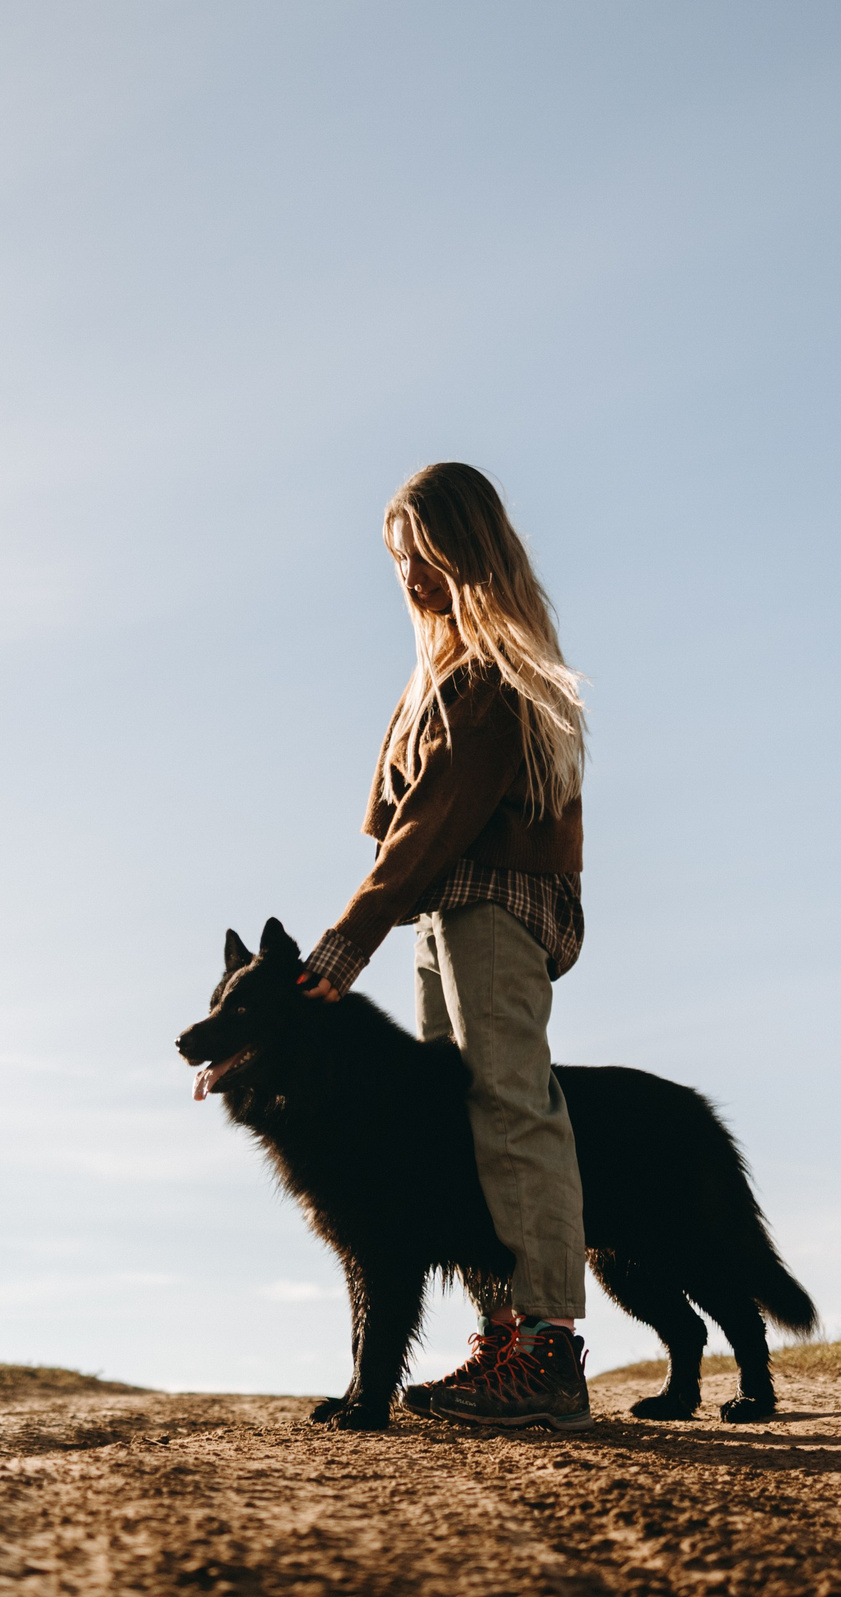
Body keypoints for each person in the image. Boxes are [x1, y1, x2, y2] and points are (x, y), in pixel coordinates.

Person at [297, 461, 593, 1430]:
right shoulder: (440, 674)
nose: (408, 575)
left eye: (421, 553)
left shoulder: (497, 675)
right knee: (457, 1129)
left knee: (510, 1103)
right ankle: (502, 1344)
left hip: (488, 905)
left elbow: (427, 826)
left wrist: (344, 945)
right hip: (442, 913)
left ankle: (549, 1349)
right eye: (396, 559)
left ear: (465, 546)